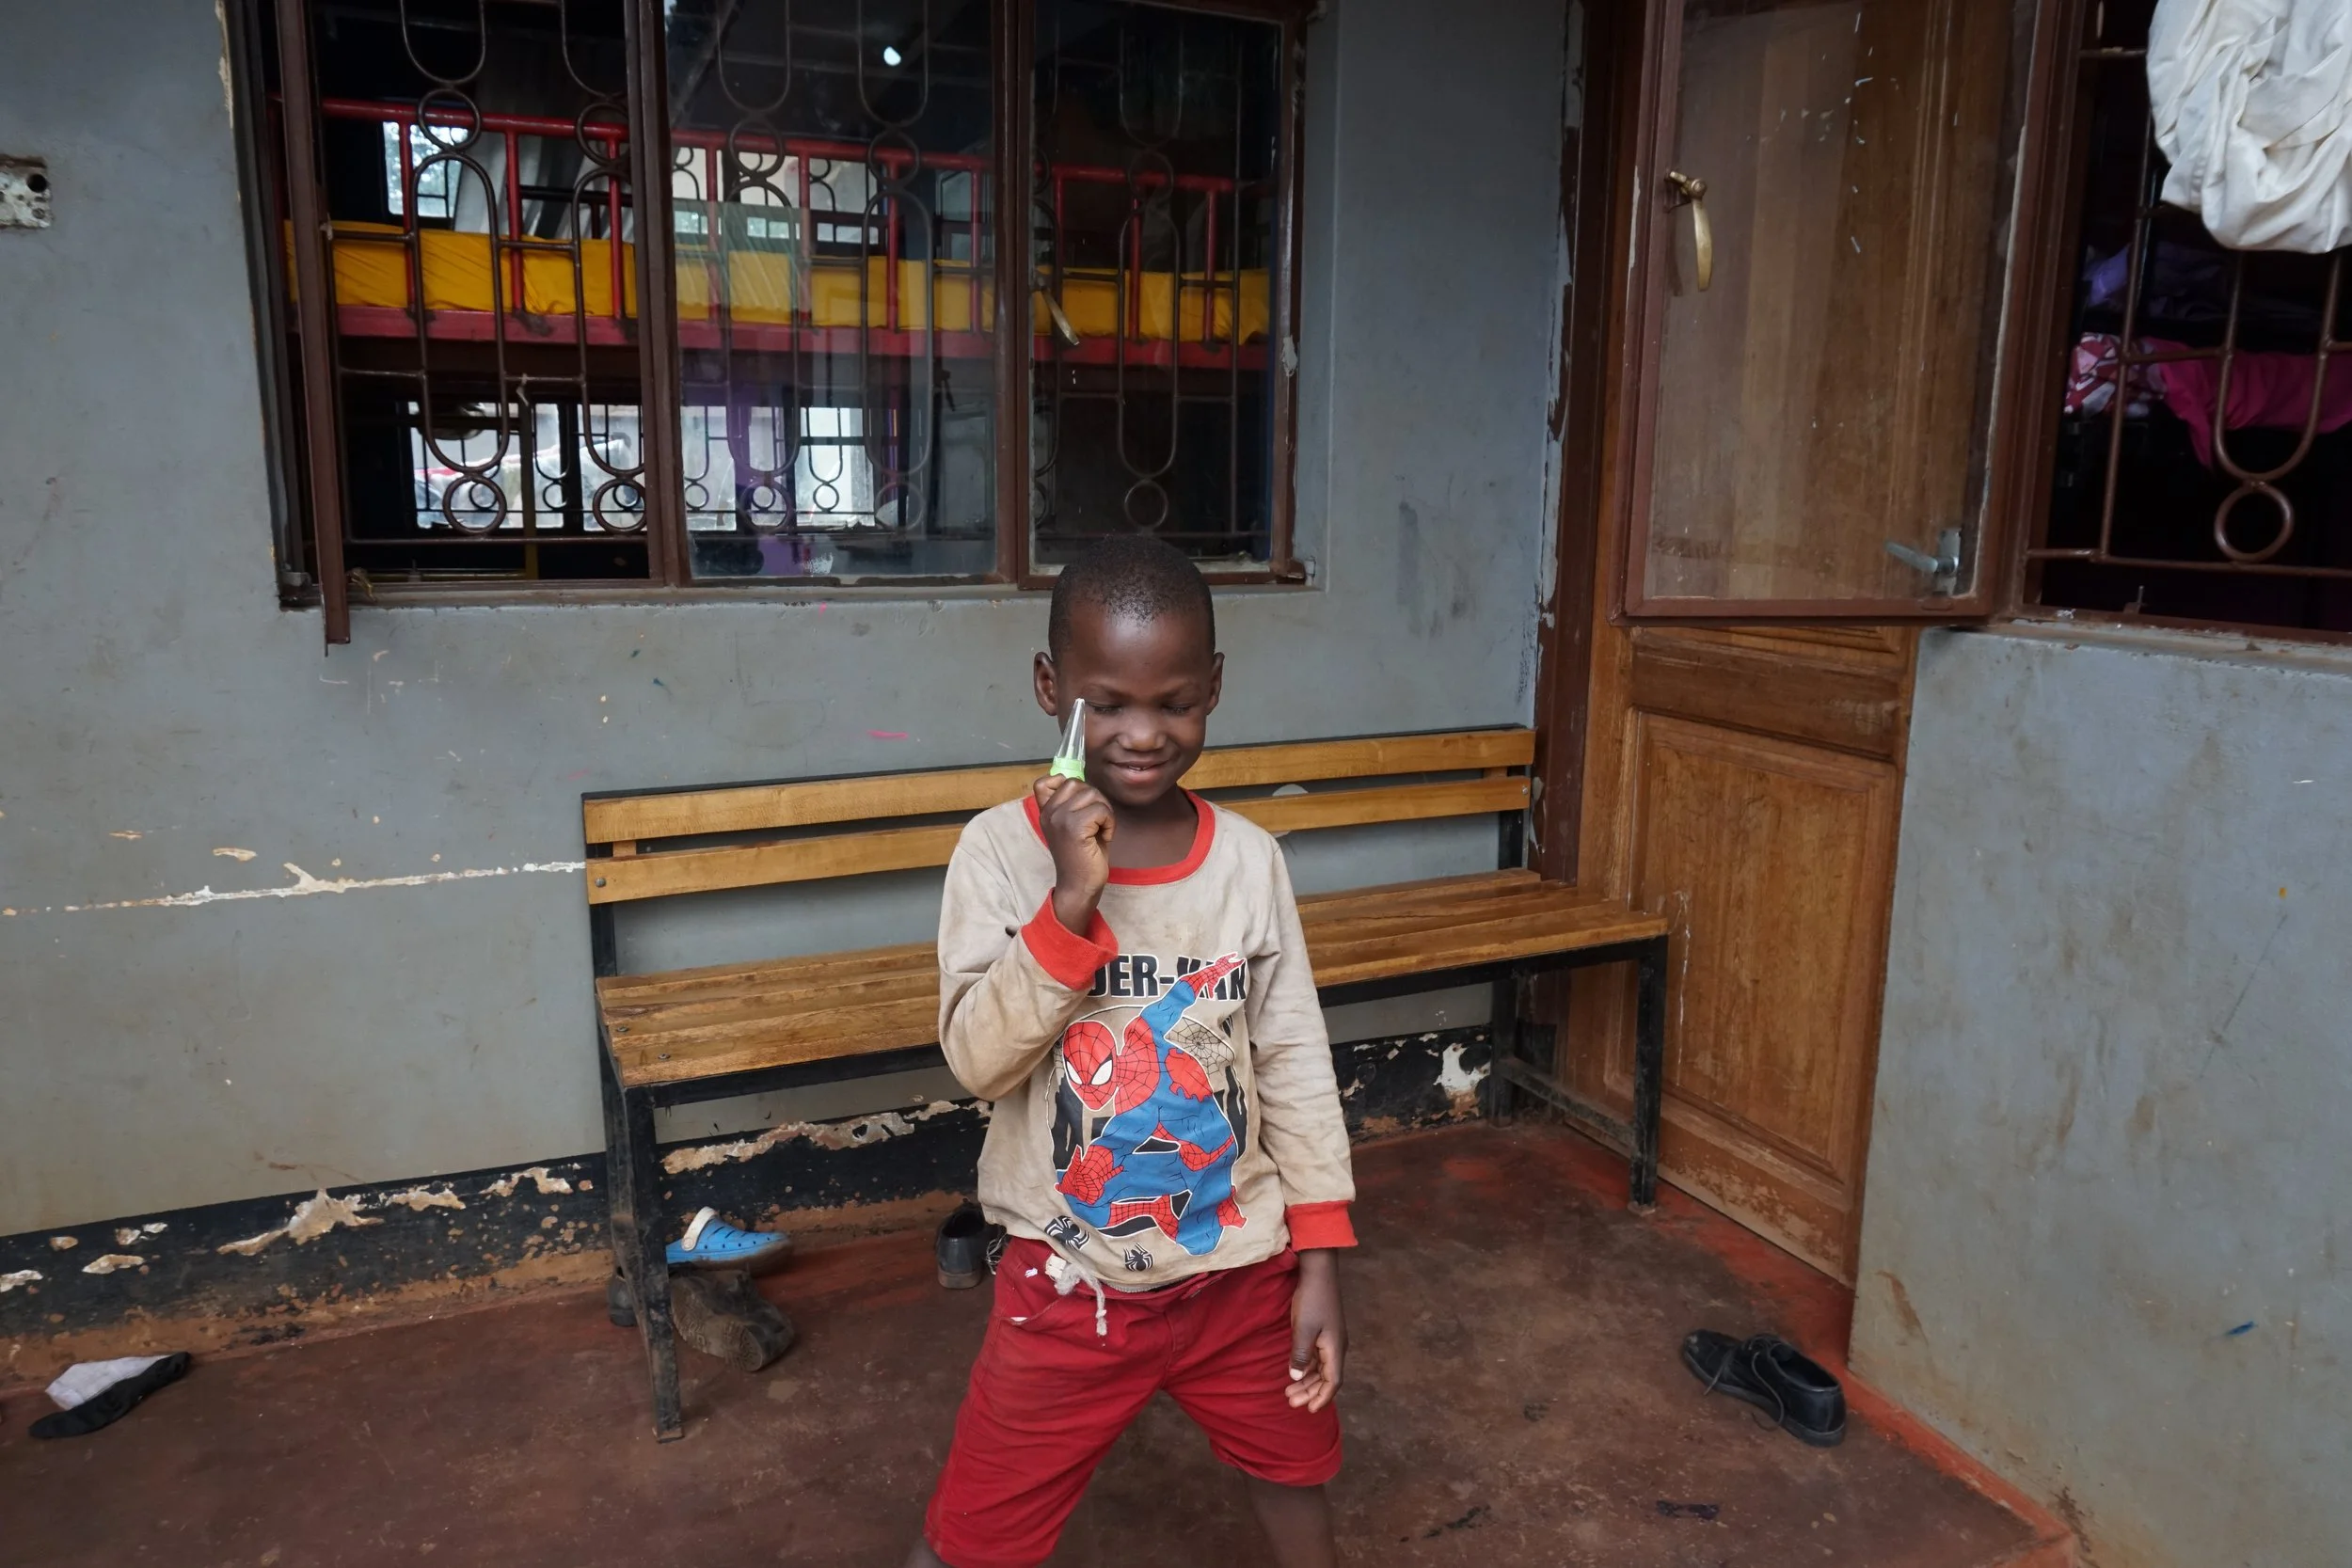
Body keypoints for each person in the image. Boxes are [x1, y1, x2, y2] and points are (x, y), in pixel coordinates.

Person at [909, 535, 1355, 1568]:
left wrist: (1320, 1261)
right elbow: (977, 1061)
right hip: (1067, 1282)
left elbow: (1290, 1056)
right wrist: (1070, 899)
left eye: (1175, 702)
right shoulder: (997, 852)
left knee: (1297, 1472)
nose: (1143, 733)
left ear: (1214, 690)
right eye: (1106, 701)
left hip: (1244, 1274)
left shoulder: (1248, 861)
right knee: (974, 1532)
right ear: (1048, 686)